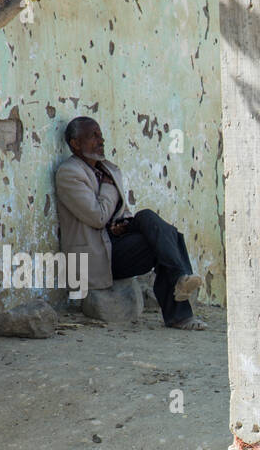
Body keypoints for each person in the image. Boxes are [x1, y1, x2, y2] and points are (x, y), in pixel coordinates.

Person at [55, 116, 207, 330]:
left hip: (115, 245)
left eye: (100, 135)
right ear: (75, 143)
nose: (101, 140)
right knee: (165, 240)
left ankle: (181, 284)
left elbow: (120, 211)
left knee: (154, 225)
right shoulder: (69, 173)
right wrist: (108, 189)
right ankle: (180, 296)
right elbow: (97, 217)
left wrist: (124, 222)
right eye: (93, 136)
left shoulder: (108, 169)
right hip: (97, 257)